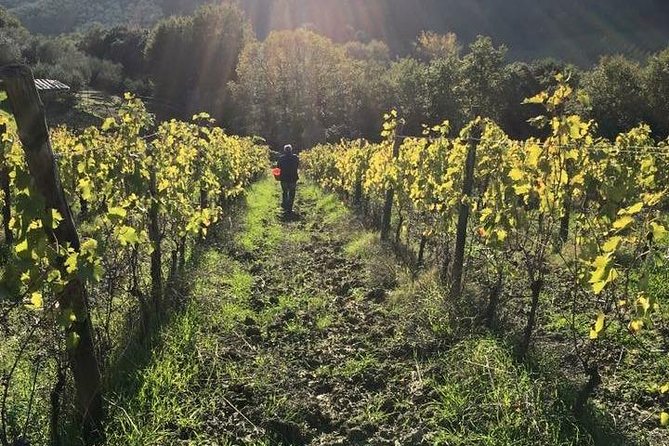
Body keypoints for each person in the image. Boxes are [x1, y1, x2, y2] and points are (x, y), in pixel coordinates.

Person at [277, 144, 299, 212]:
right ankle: (290, 207)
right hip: (293, 178)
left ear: (284, 150)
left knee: (285, 192)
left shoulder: (281, 158)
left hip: (284, 178)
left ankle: (285, 205)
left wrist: (277, 177)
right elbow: (297, 165)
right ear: (291, 150)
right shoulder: (295, 157)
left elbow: (278, 168)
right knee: (292, 193)